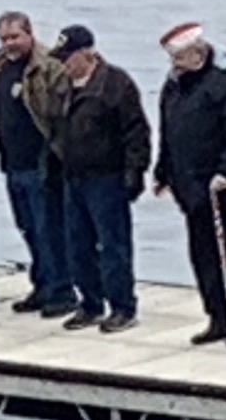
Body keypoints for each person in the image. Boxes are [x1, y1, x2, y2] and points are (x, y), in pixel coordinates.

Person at [152, 22, 226, 346]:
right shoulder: (175, 85)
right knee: (204, 257)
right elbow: (169, 132)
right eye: (171, 59)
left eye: (179, 58)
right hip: (191, 188)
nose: (174, 65)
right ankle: (219, 317)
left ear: (198, 52)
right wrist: (163, 172)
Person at [51, 24, 151, 334]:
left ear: (86, 53)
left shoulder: (116, 84)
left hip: (107, 178)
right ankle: (91, 303)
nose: (64, 63)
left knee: (113, 246)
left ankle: (123, 306)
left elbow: (137, 133)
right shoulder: (63, 86)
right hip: (73, 177)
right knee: (77, 245)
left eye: (69, 57)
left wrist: (135, 173)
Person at [0, 13, 76, 317]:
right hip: (12, 161)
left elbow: (60, 115)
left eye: (15, 37)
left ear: (29, 34)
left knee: (48, 229)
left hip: (40, 161)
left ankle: (62, 290)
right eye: (4, 38)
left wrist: (54, 154)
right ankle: (41, 284)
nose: (9, 44)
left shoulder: (47, 66)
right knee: (27, 228)